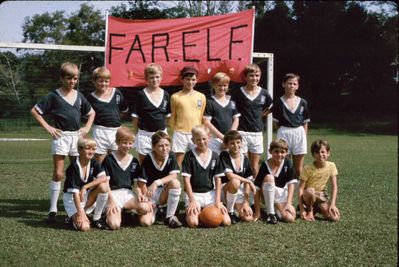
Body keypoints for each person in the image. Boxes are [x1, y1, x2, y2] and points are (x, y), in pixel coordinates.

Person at [30, 62, 95, 223]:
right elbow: (35, 111)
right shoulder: (53, 96)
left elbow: (91, 112)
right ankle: (52, 208)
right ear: (61, 78)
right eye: (69, 78)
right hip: (61, 137)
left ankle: (77, 205)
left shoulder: (79, 96)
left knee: (77, 171)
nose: (72, 81)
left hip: (77, 138)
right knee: (59, 173)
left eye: (75, 78)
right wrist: (48, 127)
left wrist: (86, 127)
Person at [102, 127, 153, 230]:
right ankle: (113, 214)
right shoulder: (108, 159)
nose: (128, 146)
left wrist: (139, 194)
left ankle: (128, 212)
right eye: (124, 143)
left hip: (127, 194)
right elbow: (105, 184)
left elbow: (135, 184)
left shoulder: (133, 160)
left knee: (145, 207)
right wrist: (111, 201)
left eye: (130, 143)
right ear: (117, 142)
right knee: (114, 225)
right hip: (113, 194)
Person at [182, 125, 231, 228]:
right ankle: (200, 213)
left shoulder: (215, 155)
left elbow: (218, 180)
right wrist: (192, 200)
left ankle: (205, 213)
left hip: (210, 194)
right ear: (193, 140)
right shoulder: (189, 156)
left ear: (209, 137)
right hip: (194, 194)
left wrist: (217, 201)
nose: (202, 142)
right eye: (198, 139)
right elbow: (186, 180)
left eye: (204, 139)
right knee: (193, 223)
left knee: (226, 221)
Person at [230, 63, 273, 179]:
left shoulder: (264, 93)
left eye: (257, 75)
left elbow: (270, 107)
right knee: (244, 164)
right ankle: (244, 193)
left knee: (255, 166)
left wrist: (260, 116)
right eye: (251, 75)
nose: (254, 78)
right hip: (242, 133)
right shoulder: (238, 93)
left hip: (257, 133)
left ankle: (256, 194)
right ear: (245, 77)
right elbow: (233, 111)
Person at [136, 131, 182, 228]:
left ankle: (170, 217)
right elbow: (141, 183)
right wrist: (147, 199)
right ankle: (158, 211)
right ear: (153, 147)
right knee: (145, 222)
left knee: (175, 183)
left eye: (167, 145)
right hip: (149, 194)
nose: (165, 148)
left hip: (163, 193)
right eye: (161, 146)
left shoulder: (171, 155)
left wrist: (157, 182)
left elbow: (174, 175)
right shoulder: (148, 158)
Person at [63, 138, 110, 231]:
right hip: (72, 199)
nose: (91, 151)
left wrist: (86, 186)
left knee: (104, 187)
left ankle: (97, 219)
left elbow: (105, 178)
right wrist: (81, 213)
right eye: (88, 148)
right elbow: (75, 193)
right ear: (80, 150)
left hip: (85, 195)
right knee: (85, 227)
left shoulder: (93, 162)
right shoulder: (73, 167)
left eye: (93, 149)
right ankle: (73, 216)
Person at [86, 66, 128, 164]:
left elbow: (124, 110)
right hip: (100, 132)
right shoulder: (90, 98)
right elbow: (87, 115)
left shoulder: (116, 93)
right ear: (94, 81)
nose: (104, 84)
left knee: (117, 163)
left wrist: (115, 119)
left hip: (116, 131)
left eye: (106, 81)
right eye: (101, 81)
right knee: (100, 164)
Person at [131, 63, 171, 164]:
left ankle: (160, 180)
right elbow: (135, 118)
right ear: (146, 79)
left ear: (161, 77)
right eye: (151, 77)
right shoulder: (141, 95)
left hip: (161, 135)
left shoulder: (165, 95)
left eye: (157, 77)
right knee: (144, 164)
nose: (154, 80)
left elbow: (167, 117)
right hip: (145, 135)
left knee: (161, 163)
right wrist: (136, 133)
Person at [273, 73, 310, 178]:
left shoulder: (303, 102)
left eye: (294, 84)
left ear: (297, 86)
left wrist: (304, 135)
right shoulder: (279, 102)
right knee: (284, 165)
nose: (292, 86)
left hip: (299, 132)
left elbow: (305, 122)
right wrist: (282, 131)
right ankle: (284, 189)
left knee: (299, 168)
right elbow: (275, 123)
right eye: (289, 83)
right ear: (283, 84)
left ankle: (300, 191)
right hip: (284, 132)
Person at [253, 139, 297, 224]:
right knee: (269, 177)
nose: (279, 154)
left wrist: (288, 203)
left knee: (289, 218)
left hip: (282, 196)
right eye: (276, 151)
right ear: (270, 151)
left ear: (286, 152)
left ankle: (277, 211)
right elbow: (256, 188)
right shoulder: (265, 165)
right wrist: (257, 212)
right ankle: (271, 214)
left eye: (282, 152)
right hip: (267, 195)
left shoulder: (288, 162)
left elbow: (291, 184)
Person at [170, 66, 206, 166]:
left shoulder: (201, 96)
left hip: (195, 133)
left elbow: (201, 115)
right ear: (182, 79)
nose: (190, 82)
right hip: (180, 133)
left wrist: (202, 132)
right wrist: (174, 131)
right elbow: (173, 116)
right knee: (177, 163)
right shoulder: (175, 97)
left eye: (193, 79)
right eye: (188, 79)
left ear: (197, 80)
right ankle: (174, 181)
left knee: (197, 161)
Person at [298, 139, 340, 222]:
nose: (320, 155)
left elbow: (334, 186)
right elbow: (300, 189)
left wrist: (332, 204)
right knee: (311, 190)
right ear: (313, 155)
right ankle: (309, 210)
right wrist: (302, 209)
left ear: (328, 153)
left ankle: (318, 208)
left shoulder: (331, 166)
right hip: (308, 195)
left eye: (323, 152)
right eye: (317, 152)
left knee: (335, 218)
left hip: (321, 196)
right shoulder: (307, 168)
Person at [219, 130, 256, 224]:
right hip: (225, 190)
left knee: (248, 218)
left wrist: (246, 202)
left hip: (239, 192)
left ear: (241, 143)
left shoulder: (245, 158)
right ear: (227, 145)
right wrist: (248, 181)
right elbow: (229, 175)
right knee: (235, 181)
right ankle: (230, 211)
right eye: (232, 143)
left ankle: (237, 209)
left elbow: (248, 180)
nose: (236, 145)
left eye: (238, 142)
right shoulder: (224, 155)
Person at [203, 72, 240, 155]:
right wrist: (223, 138)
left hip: (230, 141)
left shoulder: (231, 101)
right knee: (214, 164)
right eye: (219, 85)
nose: (222, 88)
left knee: (228, 164)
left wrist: (229, 138)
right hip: (214, 140)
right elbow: (206, 122)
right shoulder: (209, 102)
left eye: (224, 85)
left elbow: (236, 119)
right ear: (213, 85)